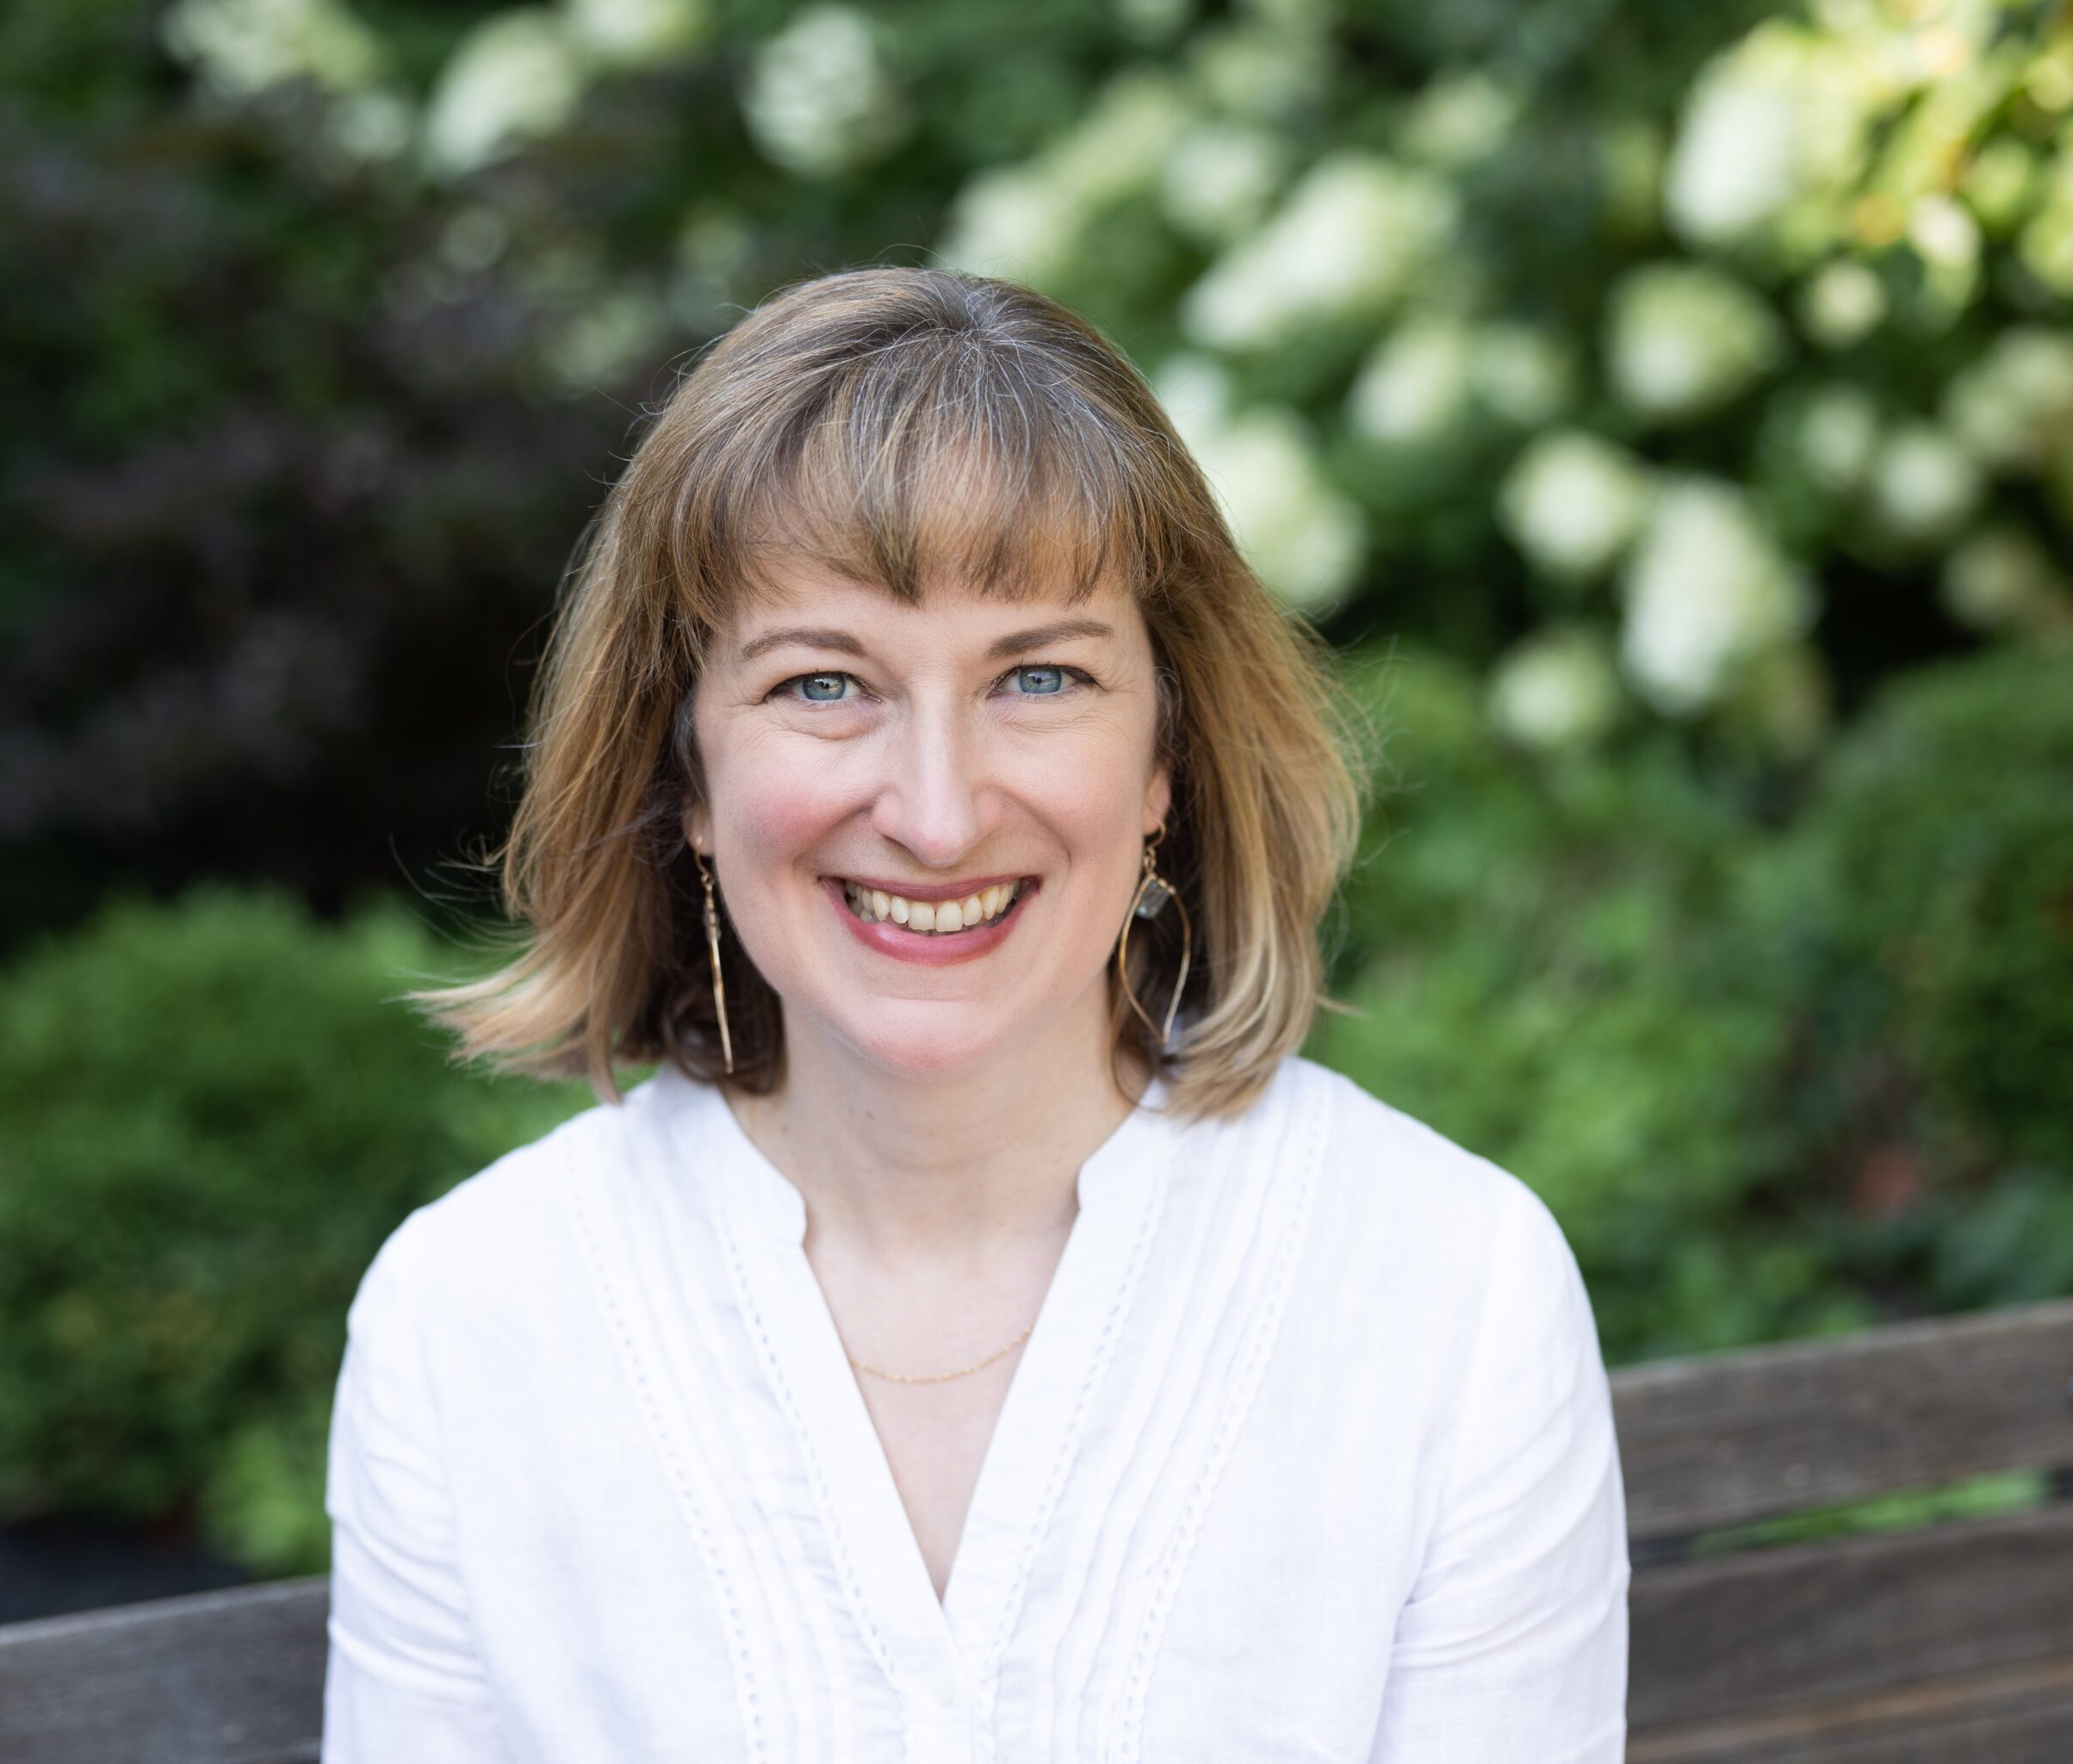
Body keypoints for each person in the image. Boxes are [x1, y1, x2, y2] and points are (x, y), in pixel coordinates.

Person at [320, 265, 1629, 1761]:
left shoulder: (1449, 1294)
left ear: (1164, 765)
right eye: (825, 685)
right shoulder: (469, 1321)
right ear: (684, 771)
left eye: (1043, 676)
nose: (936, 816)